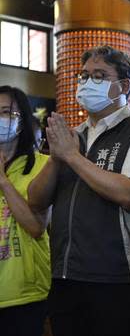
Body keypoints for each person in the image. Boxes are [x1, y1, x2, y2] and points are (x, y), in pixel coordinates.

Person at [28, 46, 130, 336]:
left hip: (116, 275)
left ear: (123, 86)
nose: (87, 83)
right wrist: (57, 157)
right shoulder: (73, 136)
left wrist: (73, 157)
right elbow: (35, 200)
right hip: (65, 272)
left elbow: (128, 193)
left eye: (99, 76)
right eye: (84, 76)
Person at [0, 86, 50, 336]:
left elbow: (35, 226)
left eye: (6, 112)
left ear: (23, 121)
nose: (0, 118)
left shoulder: (42, 165)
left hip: (24, 294)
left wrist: (3, 181)